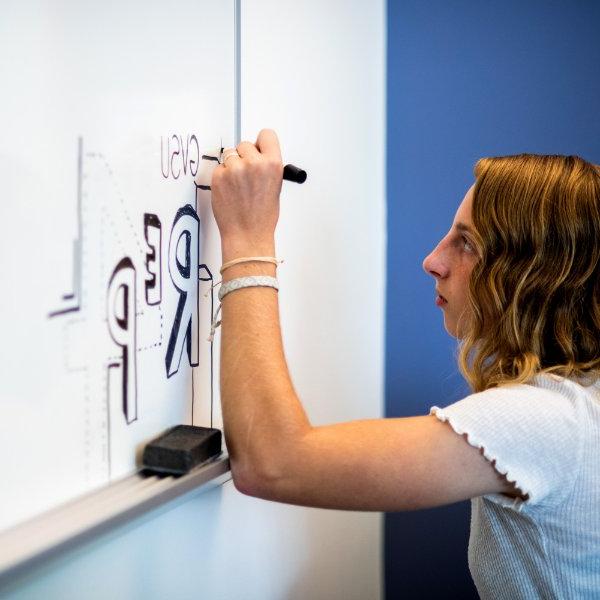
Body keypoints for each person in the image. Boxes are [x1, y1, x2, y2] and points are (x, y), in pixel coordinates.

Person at [210, 130, 600, 598]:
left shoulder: (547, 420)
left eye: (467, 244)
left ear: (536, 277)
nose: (432, 261)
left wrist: (247, 239)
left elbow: (271, 462)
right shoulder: (579, 404)